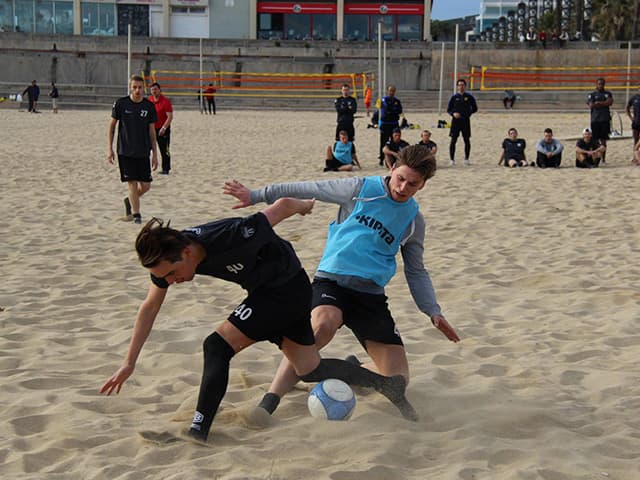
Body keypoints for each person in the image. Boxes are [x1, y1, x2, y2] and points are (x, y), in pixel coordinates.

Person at [100, 199, 418, 443]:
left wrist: (305, 206)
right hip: (275, 292)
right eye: (163, 278)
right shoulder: (169, 258)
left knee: (216, 346)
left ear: (186, 252)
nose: (170, 281)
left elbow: (280, 207)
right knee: (310, 370)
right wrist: (129, 362)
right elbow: (149, 307)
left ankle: (198, 430)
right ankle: (385, 384)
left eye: (171, 274)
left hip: (285, 289)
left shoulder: (231, 235)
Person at [223, 145, 461, 421]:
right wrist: (255, 195)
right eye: (401, 178)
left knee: (399, 379)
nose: (403, 187)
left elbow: (416, 271)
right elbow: (306, 187)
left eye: (413, 183)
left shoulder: (413, 221)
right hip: (332, 283)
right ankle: (270, 400)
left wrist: (432, 310)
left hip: (370, 297)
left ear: (423, 185)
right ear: (392, 168)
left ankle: (352, 368)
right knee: (322, 326)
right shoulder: (359, 188)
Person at [107, 75, 158, 224]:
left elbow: (152, 132)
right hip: (125, 151)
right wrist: (109, 149)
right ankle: (136, 215)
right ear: (130, 87)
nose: (137, 90)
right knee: (132, 183)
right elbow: (111, 127)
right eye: (134, 87)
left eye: (140, 87)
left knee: (146, 186)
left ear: (144, 88)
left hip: (143, 151)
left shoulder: (148, 106)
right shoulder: (121, 104)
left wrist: (155, 154)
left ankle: (130, 200)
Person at [447, 78, 478, 166]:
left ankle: (466, 159)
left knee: (466, 140)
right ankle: (452, 159)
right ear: (457, 86)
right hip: (455, 122)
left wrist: (468, 113)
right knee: (453, 140)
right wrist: (453, 114)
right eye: (459, 85)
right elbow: (449, 109)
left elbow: (475, 108)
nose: (461, 87)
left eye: (462, 85)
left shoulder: (469, 97)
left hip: (465, 121)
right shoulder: (454, 97)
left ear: (465, 86)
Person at [148, 82, 174, 175]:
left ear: (159, 90)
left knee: (164, 149)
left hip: (163, 128)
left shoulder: (165, 101)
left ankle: (166, 169)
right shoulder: (149, 100)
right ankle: (147, 167)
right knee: (147, 148)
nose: (154, 91)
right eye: (152, 90)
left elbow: (170, 117)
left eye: (155, 89)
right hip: (151, 128)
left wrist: (164, 128)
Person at [587, 78, 613, 164]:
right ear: (596, 84)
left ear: (604, 84)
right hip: (595, 120)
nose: (600, 85)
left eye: (602, 84)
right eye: (599, 84)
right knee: (594, 140)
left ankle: (603, 158)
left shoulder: (607, 93)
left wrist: (599, 103)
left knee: (604, 140)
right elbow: (591, 105)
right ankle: (595, 157)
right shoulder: (592, 94)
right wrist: (602, 103)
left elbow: (609, 102)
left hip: (605, 119)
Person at [378, 85, 403, 166]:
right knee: (383, 142)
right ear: (387, 91)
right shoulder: (383, 100)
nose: (391, 92)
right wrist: (393, 110)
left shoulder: (397, 101)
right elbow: (386, 109)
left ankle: (394, 157)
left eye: (393, 91)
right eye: (390, 90)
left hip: (394, 124)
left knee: (395, 141)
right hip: (385, 124)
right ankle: (381, 159)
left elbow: (399, 111)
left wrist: (393, 110)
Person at [625, 89, 640, 159]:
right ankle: (635, 158)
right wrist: (631, 117)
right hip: (636, 123)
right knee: (635, 140)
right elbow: (627, 107)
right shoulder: (634, 98)